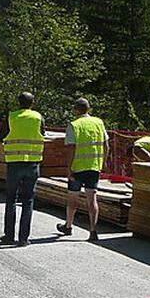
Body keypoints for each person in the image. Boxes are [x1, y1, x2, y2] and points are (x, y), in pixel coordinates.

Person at [0, 92, 46, 246]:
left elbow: (0, 138)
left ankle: (9, 236)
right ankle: (24, 238)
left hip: (14, 164)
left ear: (18, 102)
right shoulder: (38, 118)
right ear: (33, 103)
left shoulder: (11, 117)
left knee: (11, 199)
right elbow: (42, 134)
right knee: (28, 200)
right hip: (33, 164)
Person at [57, 97, 108, 242]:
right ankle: (93, 231)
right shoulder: (99, 123)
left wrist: (69, 169)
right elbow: (106, 145)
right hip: (94, 167)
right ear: (88, 109)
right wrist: (103, 162)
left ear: (76, 110)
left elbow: (71, 149)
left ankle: (68, 226)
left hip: (77, 168)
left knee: (73, 199)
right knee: (92, 200)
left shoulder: (74, 125)